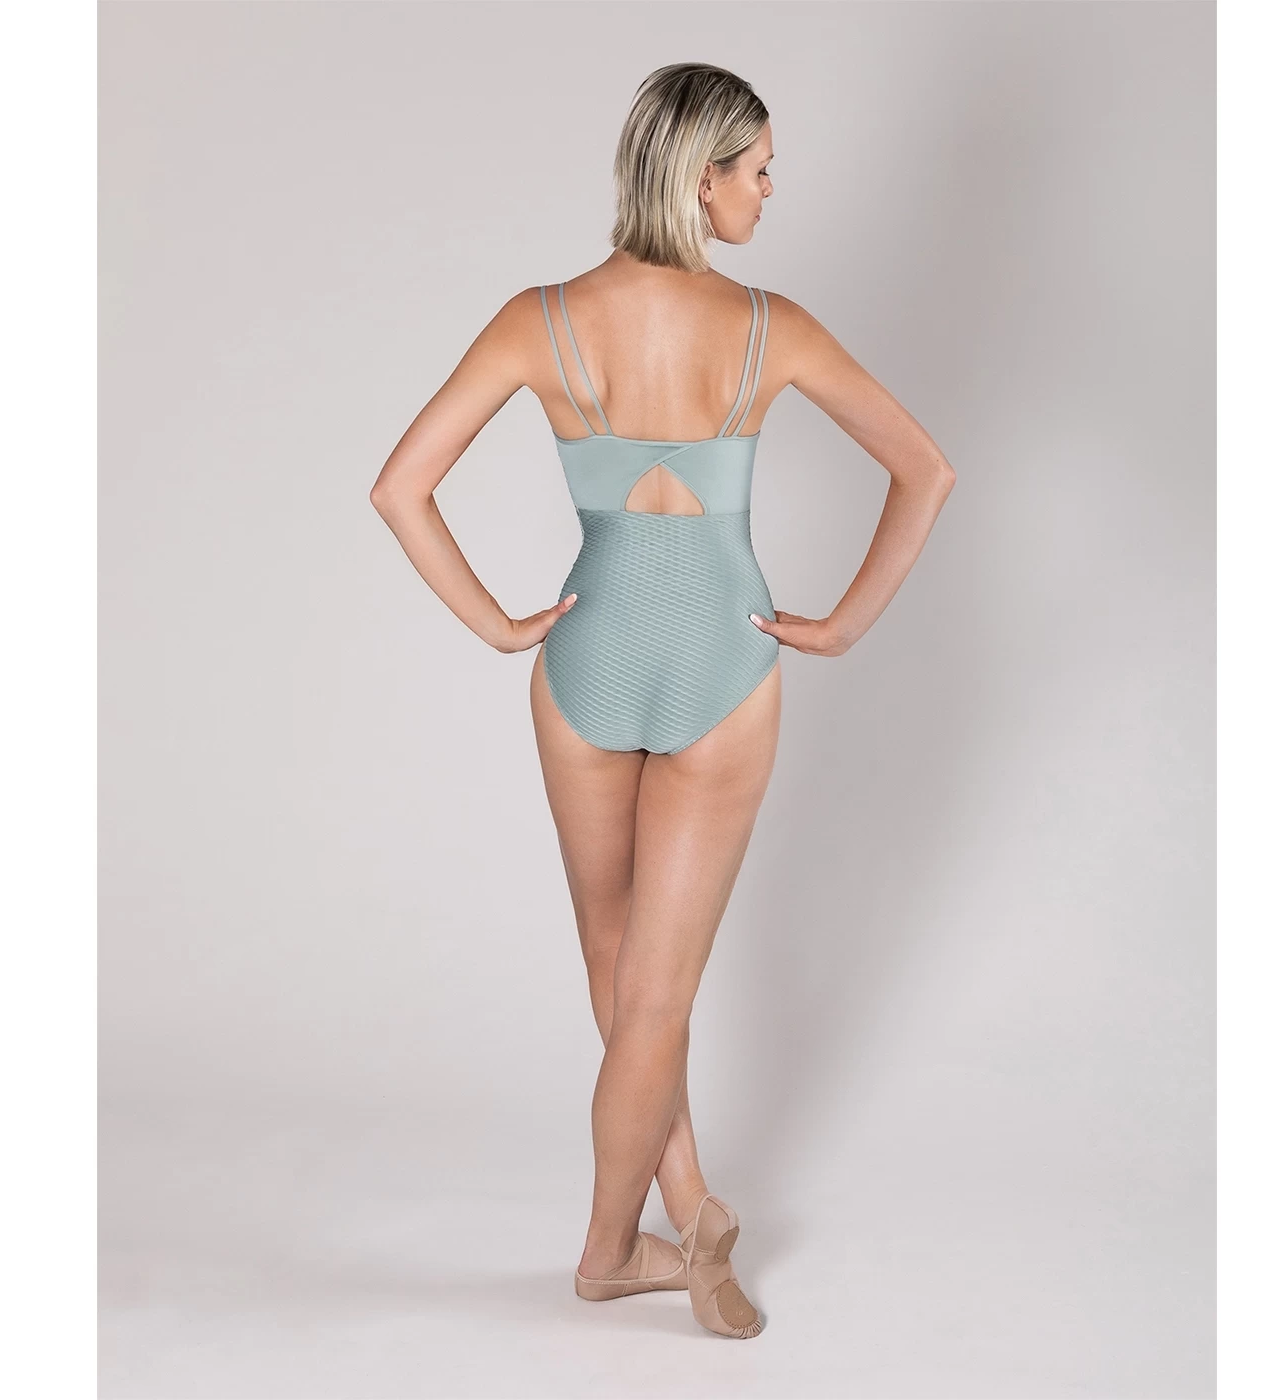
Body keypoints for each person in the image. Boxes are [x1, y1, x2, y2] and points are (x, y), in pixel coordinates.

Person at [370, 62, 955, 1340]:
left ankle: (648, 1233)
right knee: (654, 996)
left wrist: (498, 623)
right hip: (720, 667)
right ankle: (653, 1234)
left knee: (614, 966)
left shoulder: (538, 319)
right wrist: (841, 623)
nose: (767, 192)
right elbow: (924, 467)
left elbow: (399, 486)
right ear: (700, 178)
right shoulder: (768, 326)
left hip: (582, 663)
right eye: (757, 169)